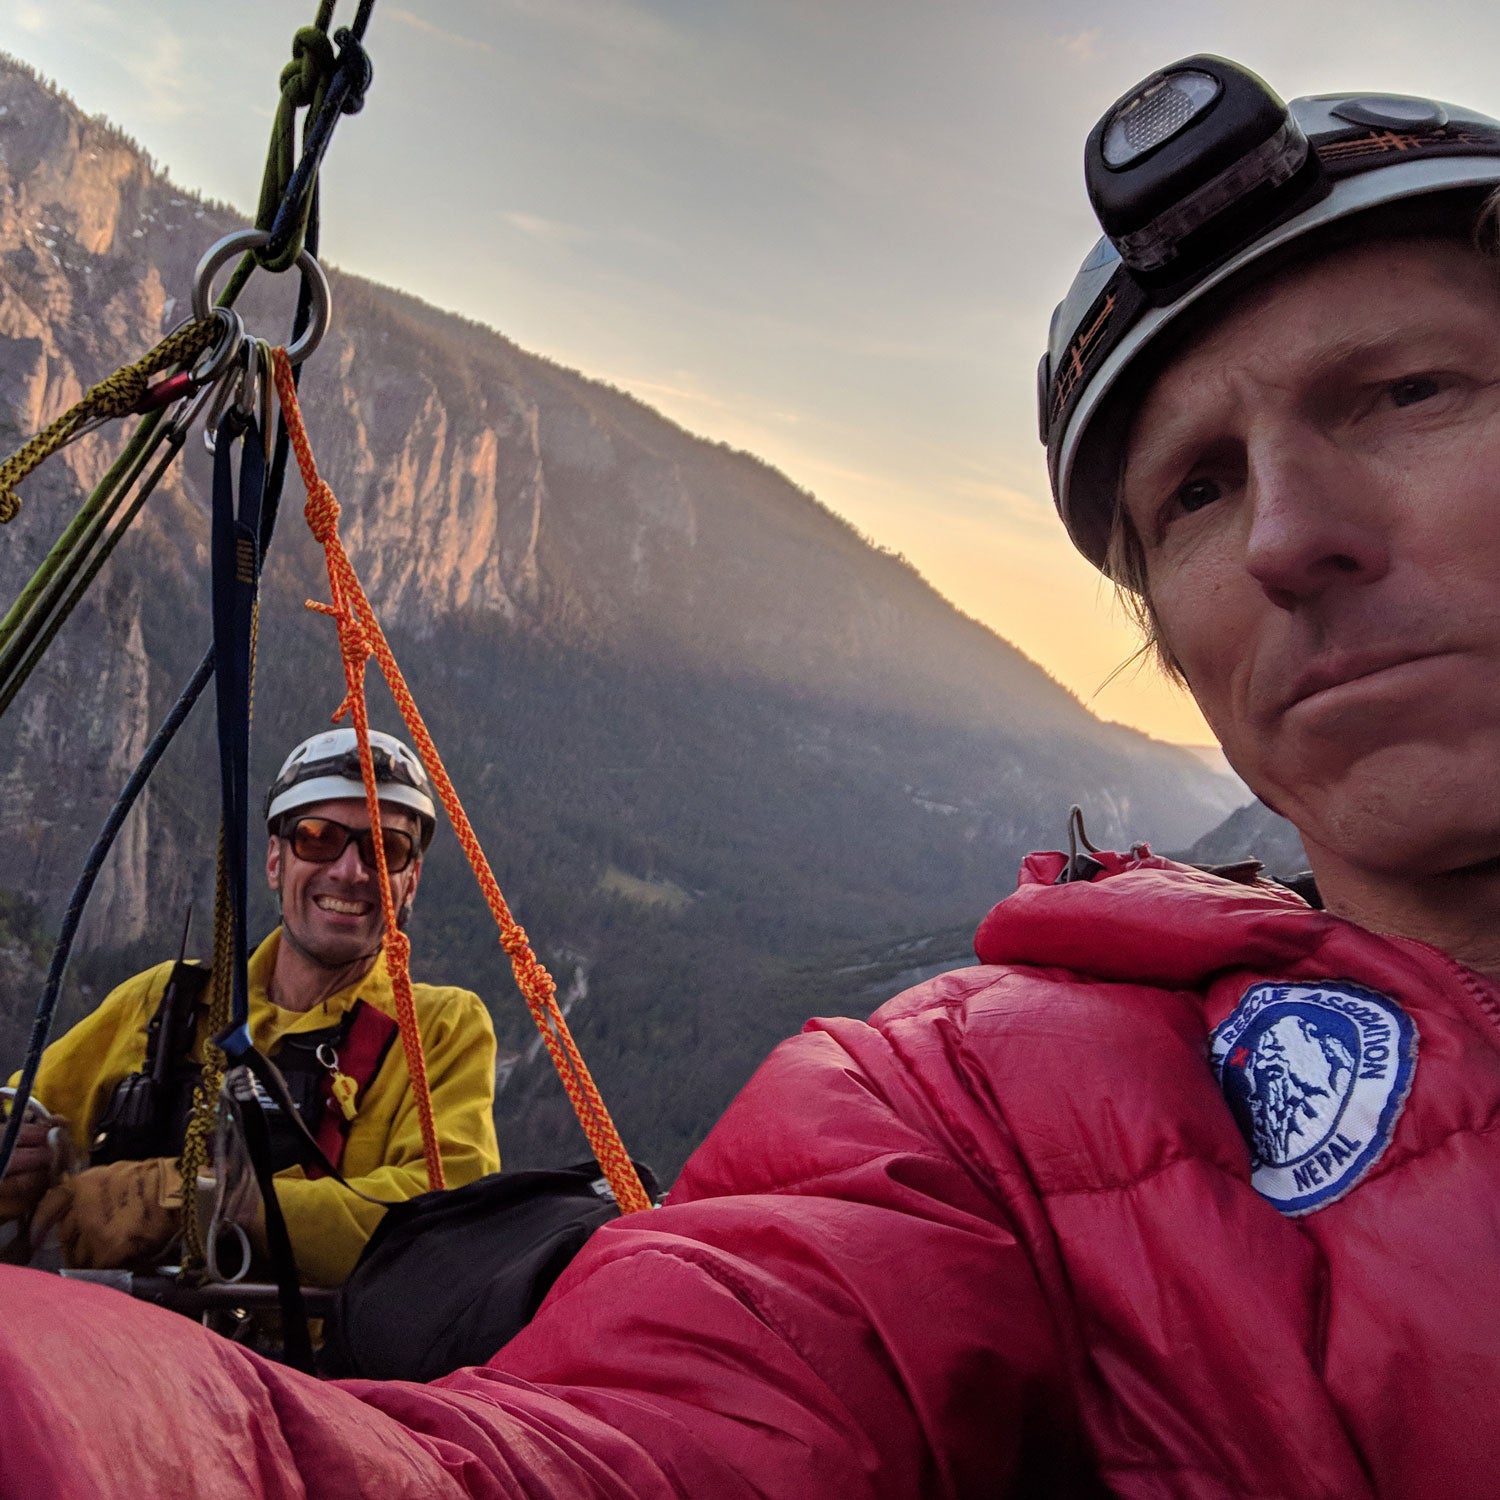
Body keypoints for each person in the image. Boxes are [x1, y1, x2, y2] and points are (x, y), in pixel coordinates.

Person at [4, 53, 1500, 1498]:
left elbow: (419, 1207)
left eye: (1410, 392)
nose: (1285, 535)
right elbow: (663, 1423)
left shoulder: (432, 1028)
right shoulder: (976, 1108)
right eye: (1198, 488)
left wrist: (174, 1207)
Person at [0, 727, 500, 1287]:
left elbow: (446, 1225)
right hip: (117, 1346)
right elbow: (25, 1108)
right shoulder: (168, 1001)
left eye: (386, 850)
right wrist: (18, 1162)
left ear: (409, 883)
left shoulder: (438, 1028)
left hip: (305, 1365)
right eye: (317, 838)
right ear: (274, 861)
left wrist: (200, 1198)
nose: (351, 870)